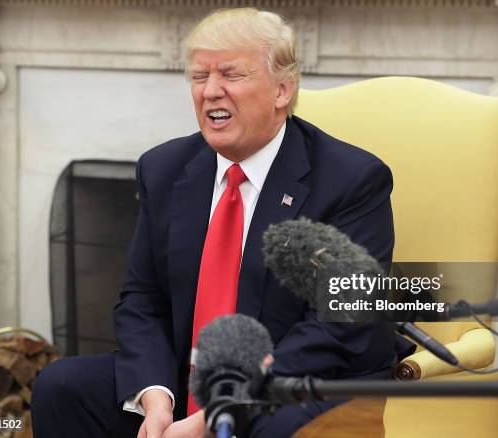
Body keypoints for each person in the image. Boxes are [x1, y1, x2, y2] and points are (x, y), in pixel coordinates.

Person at [31, 8, 413, 438]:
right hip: (187, 374)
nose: (211, 91)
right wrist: (155, 397)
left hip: (301, 380)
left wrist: (214, 415)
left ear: (282, 90)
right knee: (60, 386)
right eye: (199, 76)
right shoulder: (164, 168)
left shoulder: (351, 180)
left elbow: (335, 328)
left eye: (231, 74)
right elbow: (143, 298)